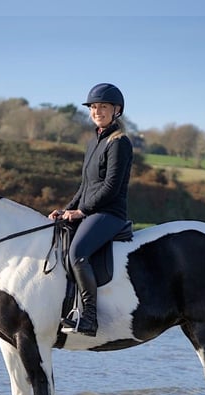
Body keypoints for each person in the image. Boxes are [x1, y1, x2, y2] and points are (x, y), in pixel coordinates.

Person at [49, 83, 133, 336]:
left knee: (78, 253)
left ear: (116, 110)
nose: (97, 111)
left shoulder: (119, 143)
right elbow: (85, 186)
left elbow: (110, 187)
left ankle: (88, 317)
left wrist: (82, 212)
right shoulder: (93, 143)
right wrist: (65, 211)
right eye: (94, 107)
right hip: (91, 209)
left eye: (103, 107)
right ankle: (66, 307)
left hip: (110, 213)